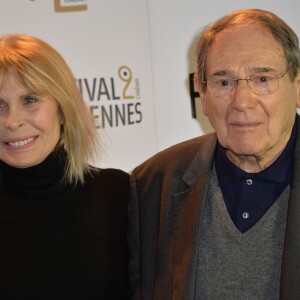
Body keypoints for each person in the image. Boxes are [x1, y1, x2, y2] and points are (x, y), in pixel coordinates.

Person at [129, 8, 300, 300]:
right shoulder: (154, 184)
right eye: (224, 82)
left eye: (262, 79)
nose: (242, 102)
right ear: (202, 93)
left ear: (297, 86)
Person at [0, 34, 129, 299]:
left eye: (30, 100)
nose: (12, 121)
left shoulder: (118, 195)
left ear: (62, 107)